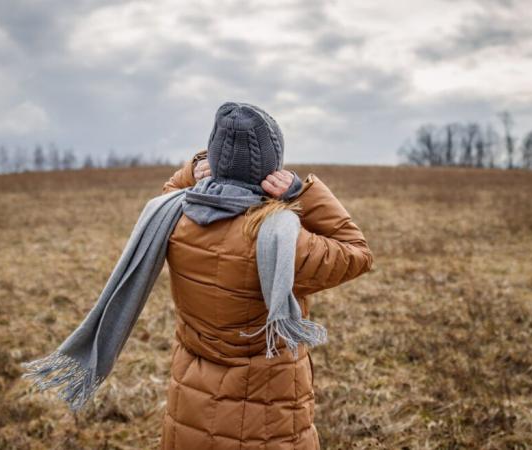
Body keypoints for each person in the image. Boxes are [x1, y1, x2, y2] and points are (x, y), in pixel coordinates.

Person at [159, 102, 373, 449]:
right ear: (271, 168)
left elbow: (168, 192)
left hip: (191, 408)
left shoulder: (175, 220)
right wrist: (302, 192)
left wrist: (195, 168)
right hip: (269, 421)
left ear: (216, 161)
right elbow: (357, 252)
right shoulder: (282, 239)